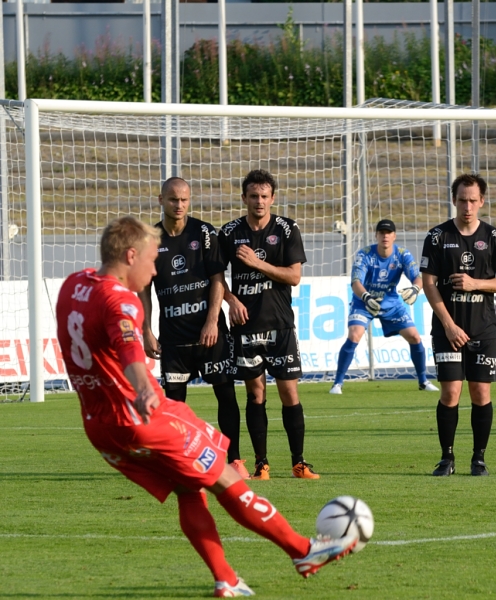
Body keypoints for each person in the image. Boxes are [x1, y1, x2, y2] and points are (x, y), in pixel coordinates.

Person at [55, 216, 356, 597]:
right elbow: (130, 347)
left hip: (99, 427)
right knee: (224, 474)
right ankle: (303, 551)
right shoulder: (122, 302)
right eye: (151, 260)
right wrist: (144, 388)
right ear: (130, 256)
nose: (154, 270)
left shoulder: (74, 284)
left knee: (187, 487)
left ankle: (226, 579)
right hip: (140, 415)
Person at [138, 177, 249, 479]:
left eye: (185, 200)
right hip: (173, 336)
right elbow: (144, 290)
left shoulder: (205, 233)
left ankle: (235, 460)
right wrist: (146, 330)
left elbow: (217, 280)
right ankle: (177, 460)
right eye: (174, 199)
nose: (180, 205)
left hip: (210, 333)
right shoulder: (150, 240)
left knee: (225, 394)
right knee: (174, 405)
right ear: (161, 200)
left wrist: (213, 320)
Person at [218, 169, 317, 480]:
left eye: (264, 196)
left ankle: (299, 462)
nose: (259, 201)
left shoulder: (287, 229)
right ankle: (262, 464)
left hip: (280, 325)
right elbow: (215, 277)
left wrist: (257, 263)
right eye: (253, 196)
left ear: (273, 198)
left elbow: (294, 276)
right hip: (246, 327)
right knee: (255, 394)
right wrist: (231, 299)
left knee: (289, 392)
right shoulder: (229, 232)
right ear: (244, 198)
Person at [420, 174, 496, 476]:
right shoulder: (437, 237)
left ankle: (479, 458)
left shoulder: (495, 238)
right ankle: (447, 458)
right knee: (450, 393)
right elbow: (428, 284)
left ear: (482, 201)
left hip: (483, 329)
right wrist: (447, 325)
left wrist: (476, 283)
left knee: (480, 394)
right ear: (454, 200)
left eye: (473, 200)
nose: (467, 206)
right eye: (462, 200)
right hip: (448, 330)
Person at [330, 218, 439, 394]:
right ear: (376, 235)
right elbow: (356, 282)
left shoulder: (403, 254)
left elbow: (417, 277)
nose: (385, 236)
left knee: (414, 337)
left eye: (388, 233)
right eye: (381, 233)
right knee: (354, 334)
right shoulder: (364, 254)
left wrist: (415, 288)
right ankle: (337, 384)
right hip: (364, 302)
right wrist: (366, 297)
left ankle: (423, 381)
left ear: (394, 236)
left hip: (391, 303)